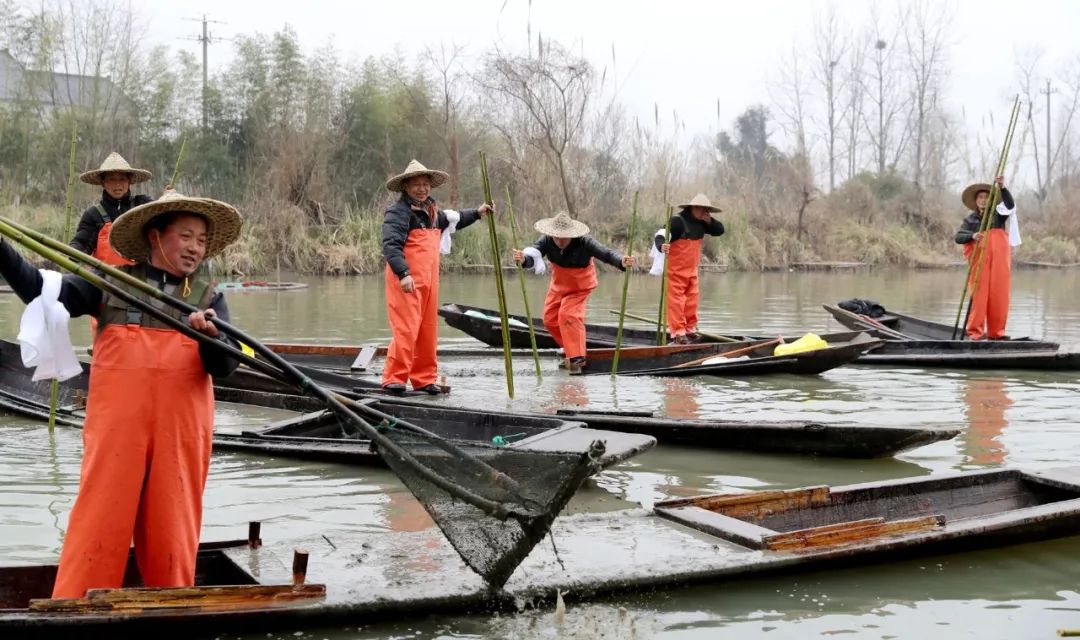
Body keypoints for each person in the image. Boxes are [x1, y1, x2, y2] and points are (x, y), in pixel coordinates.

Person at [0, 189, 243, 599]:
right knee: (98, 525)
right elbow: (37, 289)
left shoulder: (209, 298)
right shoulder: (109, 284)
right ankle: (75, 609)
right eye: (185, 236)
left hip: (179, 442)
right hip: (117, 439)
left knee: (172, 535)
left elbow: (228, 365)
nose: (195, 248)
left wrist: (212, 338)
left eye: (201, 240)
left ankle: (171, 611)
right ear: (155, 236)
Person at [381, 159, 493, 394]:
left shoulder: (432, 212)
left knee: (427, 330)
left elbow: (456, 220)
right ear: (406, 187)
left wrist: (479, 212)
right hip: (406, 281)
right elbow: (391, 245)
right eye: (416, 185)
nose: (422, 189)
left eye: (425, 184)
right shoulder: (398, 212)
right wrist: (403, 273)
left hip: (429, 282)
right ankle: (394, 378)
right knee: (406, 329)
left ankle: (423, 378)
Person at [512, 211, 633, 368]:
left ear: (572, 235)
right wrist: (523, 260)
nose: (560, 241)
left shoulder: (585, 242)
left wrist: (621, 261)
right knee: (549, 319)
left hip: (580, 286)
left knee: (568, 315)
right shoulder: (547, 240)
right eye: (557, 237)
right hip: (559, 284)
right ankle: (570, 348)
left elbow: (606, 254)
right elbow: (533, 256)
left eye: (564, 238)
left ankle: (577, 357)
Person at [955, 176, 1020, 340]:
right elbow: (958, 237)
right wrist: (972, 235)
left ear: (991, 200)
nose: (983, 200)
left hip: (999, 260)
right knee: (979, 296)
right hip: (979, 263)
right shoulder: (970, 219)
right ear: (976, 201)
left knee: (999, 295)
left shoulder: (998, 214)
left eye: (987, 197)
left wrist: (1002, 188)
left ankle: (996, 333)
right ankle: (975, 333)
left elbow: (1011, 205)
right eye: (980, 197)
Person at [653, 193, 725, 344]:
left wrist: (710, 220)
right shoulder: (678, 221)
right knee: (676, 304)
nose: (704, 212)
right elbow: (660, 235)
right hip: (675, 272)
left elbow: (720, 230)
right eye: (702, 209)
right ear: (693, 208)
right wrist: (661, 245)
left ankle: (690, 330)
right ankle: (678, 334)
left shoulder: (703, 222)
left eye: (707, 210)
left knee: (692, 302)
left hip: (692, 271)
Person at [70, 152, 154, 265]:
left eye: (122, 179)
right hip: (106, 280)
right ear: (103, 183)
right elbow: (81, 243)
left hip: (140, 280)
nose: (117, 184)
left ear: (129, 182)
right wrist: (72, 252)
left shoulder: (143, 205)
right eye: (111, 179)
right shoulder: (94, 214)